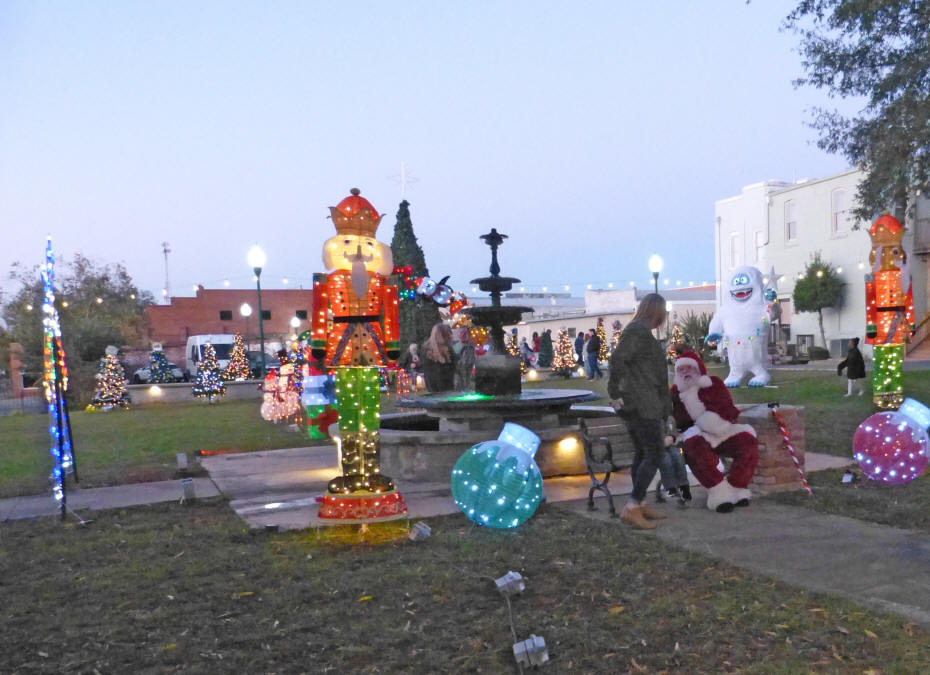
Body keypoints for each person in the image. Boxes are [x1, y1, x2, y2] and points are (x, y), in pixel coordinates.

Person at [608, 293, 672, 529]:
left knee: (641, 454)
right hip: (642, 405)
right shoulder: (637, 332)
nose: (664, 316)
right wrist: (618, 393)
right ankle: (632, 506)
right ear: (656, 311)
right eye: (663, 312)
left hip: (644, 402)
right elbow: (617, 360)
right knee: (654, 453)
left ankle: (640, 502)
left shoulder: (641, 332)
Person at [670, 350, 759, 513]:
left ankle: (736, 486)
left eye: (690, 368)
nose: (686, 372)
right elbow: (672, 419)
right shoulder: (675, 394)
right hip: (698, 435)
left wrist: (713, 421)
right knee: (692, 446)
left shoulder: (714, 384)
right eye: (681, 369)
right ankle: (718, 491)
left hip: (723, 428)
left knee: (748, 441)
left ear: (699, 369)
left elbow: (726, 407)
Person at [422, 323, 456, 393]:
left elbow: (453, 367)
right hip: (434, 387)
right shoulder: (427, 350)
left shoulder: (449, 349)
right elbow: (429, 373)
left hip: (448, 386)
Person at [453, 325, 476, 390]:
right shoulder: (454, 347)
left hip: (470, 376)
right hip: (458, 378)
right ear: (458, 334)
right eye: (461, 333)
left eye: (466, 333)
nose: (463, 335)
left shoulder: (473, 347)